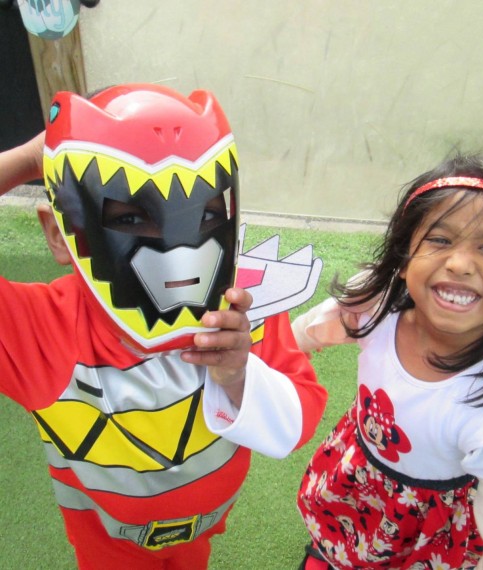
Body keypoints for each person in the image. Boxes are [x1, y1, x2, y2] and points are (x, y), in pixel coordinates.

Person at [0, 84, 327, 569]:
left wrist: (239, 374)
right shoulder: (39, 331)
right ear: (59, 232)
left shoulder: (243, 310)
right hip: (108, 543)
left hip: (202, 529)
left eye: (206, 213)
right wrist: (32, 157)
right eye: (132, 216)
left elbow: (299, 420)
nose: (179, 249)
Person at [293, 153, 483, 569]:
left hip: (430, 524)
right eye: (440, 240)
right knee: (342, 534)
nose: (459, 264)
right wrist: (276, 356)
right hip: (360, 472)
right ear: (405, 254)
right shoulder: (377, 304)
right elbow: (310, 329)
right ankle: (336, 553)